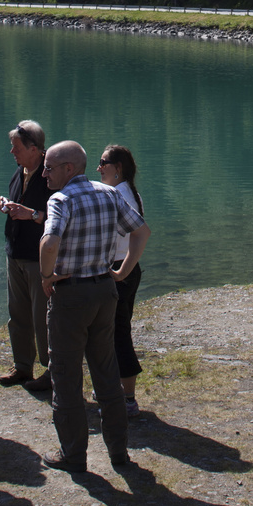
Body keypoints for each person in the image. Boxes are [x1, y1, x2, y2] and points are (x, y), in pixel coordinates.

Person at [38, 141, 150, 472]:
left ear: (68, 168)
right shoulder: (110, 193)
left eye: (49, 167)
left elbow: (50, 241)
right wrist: (122, 272)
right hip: (104, 290)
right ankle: (119, 453)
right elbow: (141, 233)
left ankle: (73, 455)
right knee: (105, 371)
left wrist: (47, 276)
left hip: (71, 296)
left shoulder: (60, 199)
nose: (44, 173)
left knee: (66, 374)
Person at [0, 120, 54, 391]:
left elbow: (60, 217)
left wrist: (31, 215)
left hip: (38, 257)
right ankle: (22, 366)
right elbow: (19, 205)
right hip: (15, 253)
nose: (12, 152)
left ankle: (52, 369)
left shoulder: (50, 176)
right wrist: (7, 206)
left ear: (34, 149)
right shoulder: (20, 172)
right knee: (17, 314)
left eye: (16, 147)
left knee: (44, 316)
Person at [95, 144, 146, 416]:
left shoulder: (119, 196)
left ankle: (128, 399)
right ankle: (114, 387)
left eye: (104, 163)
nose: (98, 168)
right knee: (114, 332)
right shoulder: (128, 193)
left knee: (117, 334)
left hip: (120, 269)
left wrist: (120, 273)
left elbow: (139, 234)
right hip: (129, 268)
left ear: (118, 168)